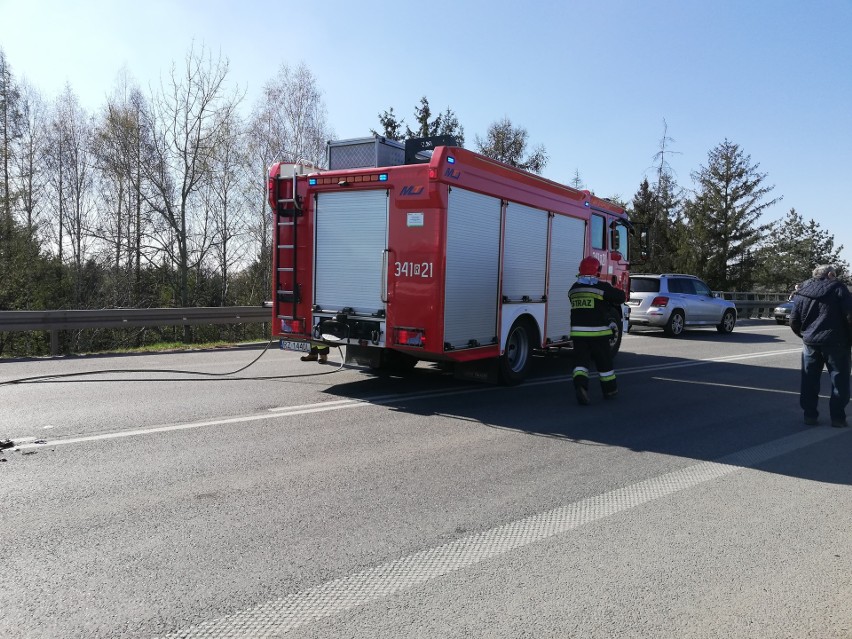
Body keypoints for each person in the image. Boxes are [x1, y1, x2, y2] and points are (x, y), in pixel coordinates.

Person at [790, 264, 852, 427]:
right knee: (840, 380)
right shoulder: (839, 289)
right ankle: (838, 418)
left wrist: (804, 335)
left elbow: (794, 320)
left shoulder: (803, 291)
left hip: (810, 343)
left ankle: (810, 415)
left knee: (809, 380)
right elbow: (850, 315)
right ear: (831, 274)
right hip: (837, 342)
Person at [569, 256, 626, 405]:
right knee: (604, 363)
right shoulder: (600, 287)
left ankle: (581, 386)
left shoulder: (574, 289)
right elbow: (620, 297)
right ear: (597, 271)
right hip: (598, 333)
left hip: (578, 334)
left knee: (580, 364)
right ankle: (610, 390)